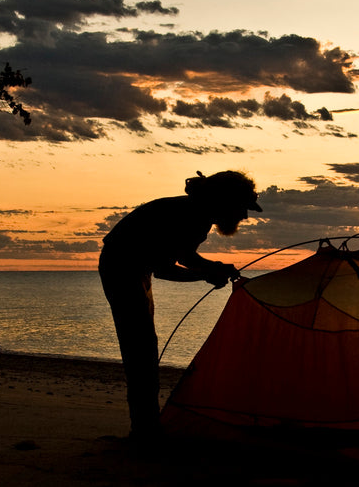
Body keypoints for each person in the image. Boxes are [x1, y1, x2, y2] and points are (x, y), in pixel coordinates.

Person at [98, 170, 262, 442]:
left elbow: (185, 256)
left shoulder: (197, 214)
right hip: (122, 268)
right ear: (225, 202)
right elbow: (165, 269)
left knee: (142, 347)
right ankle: (145, 432)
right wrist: (207, 274)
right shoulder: (191, 217)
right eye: (242, 208)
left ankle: (145, 427)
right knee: (141, 349)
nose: (244, 217)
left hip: (133, 268)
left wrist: (213, 268)